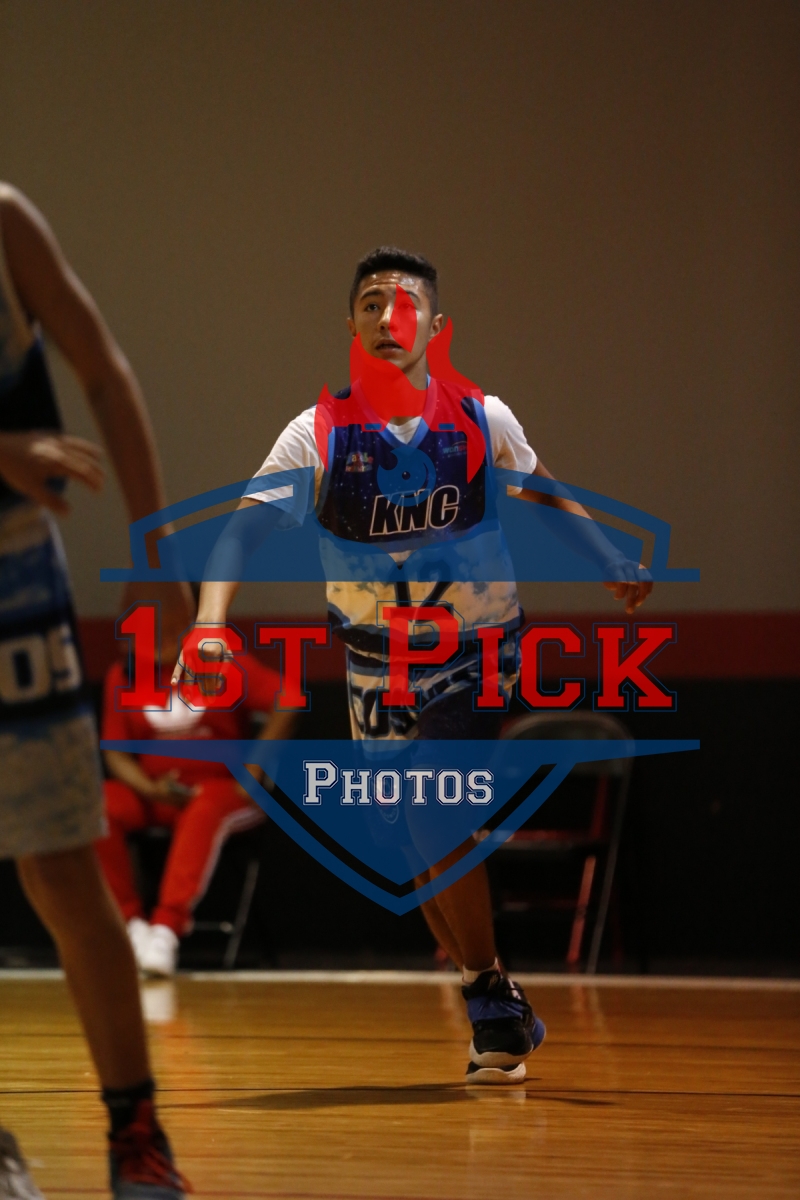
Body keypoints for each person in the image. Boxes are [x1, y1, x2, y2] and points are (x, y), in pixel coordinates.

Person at [174, 246, 652, 1084]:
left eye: (404, 305)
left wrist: (607, 556)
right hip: (373, 665)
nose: (387, 318)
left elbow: (546, 493)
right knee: (416, 849)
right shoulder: (316, 432)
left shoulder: (480, 418)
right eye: (371, 304)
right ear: (351, 324)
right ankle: (492, 998)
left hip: (476, 648)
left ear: (435, 326)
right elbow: (240, 529)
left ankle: (490, 998)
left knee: (434, 804)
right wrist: (210, 621)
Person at [0, 183, 192, 1198]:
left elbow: (105, 375)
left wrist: (156, 552)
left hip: (16, 579)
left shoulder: (5, 218)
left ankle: (137, 1137)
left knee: (64, 869)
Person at [97, 631, 292, 977]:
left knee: (205, 809)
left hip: (222, 790)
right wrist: (151, 788)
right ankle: (130, 928)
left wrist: (254, 769)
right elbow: (115, 753)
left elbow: (287, 698)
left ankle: (166, 930)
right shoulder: (123, 673)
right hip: (156, 792)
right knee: (98, 805)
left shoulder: (221, 660)